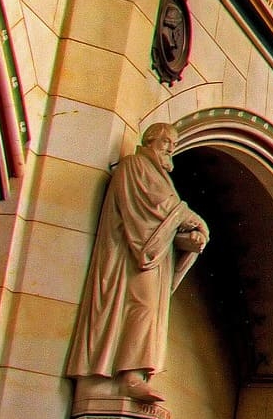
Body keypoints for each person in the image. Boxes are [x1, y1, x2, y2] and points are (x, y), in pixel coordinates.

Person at [65, 123, 208, 403]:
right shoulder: (135, 166)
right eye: (166, 142)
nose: (170, 148)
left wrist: (190, 240)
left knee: (149, 311)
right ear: (150, 139)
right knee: (140, 307)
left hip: (153, 258)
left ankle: (136, 374)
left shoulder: (159, 176)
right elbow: (156, 210)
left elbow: (162, 228)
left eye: (173, 144)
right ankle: (128, 376)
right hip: (130, 257)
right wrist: (194, 220)